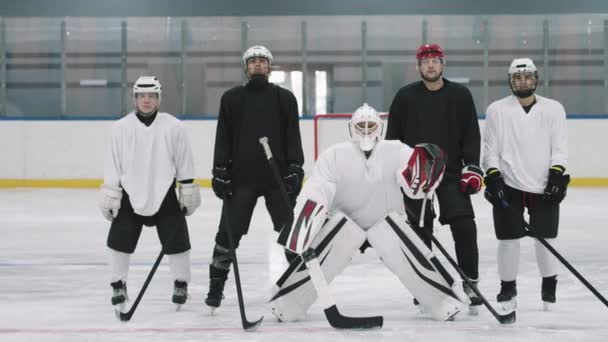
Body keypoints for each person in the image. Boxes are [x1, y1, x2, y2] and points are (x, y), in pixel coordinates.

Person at [270, 103, 467, 322]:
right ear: (351, 127)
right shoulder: (334, 155)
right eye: (361, 125)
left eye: (370, 125)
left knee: (407, 252)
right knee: (322, 255)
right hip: (343, 224)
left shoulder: (396, 149)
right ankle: (286, 305)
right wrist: (305, 225)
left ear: (380, 127)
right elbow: (318, 189)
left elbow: (415, 185)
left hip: (387, 222)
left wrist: (425, 170)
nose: (366, 130)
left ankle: (443, 302)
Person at [385, 43, 484, 313]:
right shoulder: (405, 97)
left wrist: (473, 168)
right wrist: (394, 171)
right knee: (419, 231)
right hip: (416, 174)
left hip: (450, 173)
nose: (430, 65)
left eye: (435, 60)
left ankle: (470, 282)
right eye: (425, 61)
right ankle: (425, 284)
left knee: (464, 225)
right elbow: (392, 138)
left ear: (443, 64)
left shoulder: (460, 95)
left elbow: (471, 134)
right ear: (418, 66)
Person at [206, 45, 305, 310]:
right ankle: (215, 289)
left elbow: (293, 136)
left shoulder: (285, 99)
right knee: (227, 234)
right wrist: (220, 171)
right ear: (246, 67)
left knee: (290, 233)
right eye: (253, 62)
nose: (258, 65)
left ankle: (301, 287)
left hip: (277, 178)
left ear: (269, 67)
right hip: (241, 178)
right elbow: (223, 137)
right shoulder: (231, 98)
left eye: (263, 61)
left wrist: (296, 167)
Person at [98, 76, 201, 313]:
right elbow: (112, 164)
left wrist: (186, 190)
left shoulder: (174, 126)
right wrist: (111, 193)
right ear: (135, 98)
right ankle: (118, 284)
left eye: (152, 96)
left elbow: (184, 161)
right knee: (119, 241)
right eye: (142, 96)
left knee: (177, 241)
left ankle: (181, 283)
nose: (147, 100)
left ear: (158, 99)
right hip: (129, 193)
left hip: (164, 192)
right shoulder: (120, 128)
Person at [482, 57, 569, 311]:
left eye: (527, 77)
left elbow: (560, 149)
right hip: (509, 185)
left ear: (536, 79)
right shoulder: (497, 110)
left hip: (544, 186)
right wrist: (493, 176)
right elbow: (489, 150)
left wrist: (556, 175)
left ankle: (549, 288)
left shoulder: (554, 109)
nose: (523, 81)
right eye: (517, 77)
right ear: (510, 81)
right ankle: (507, 288)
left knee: (547, 239)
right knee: (508, 240)